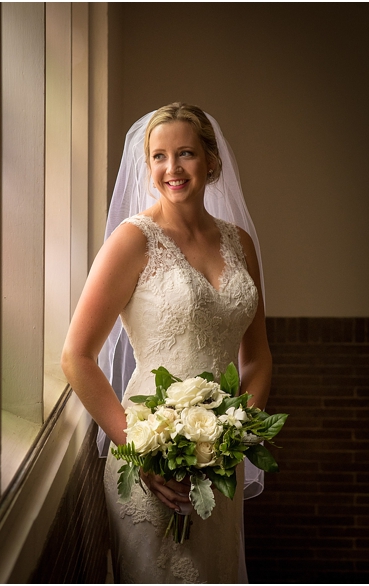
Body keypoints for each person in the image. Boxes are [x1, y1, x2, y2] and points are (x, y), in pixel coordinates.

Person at [61, 103, 271, 583]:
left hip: (221, 462)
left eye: (185, 154)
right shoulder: (132, 240)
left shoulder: (240, 243)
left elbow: (257, 357)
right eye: (158, 156)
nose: (171, 169)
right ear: (147, 165)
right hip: (151, 462)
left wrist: (234, 440)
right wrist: (141, 452)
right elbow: (76, 356)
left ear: (212, 162)